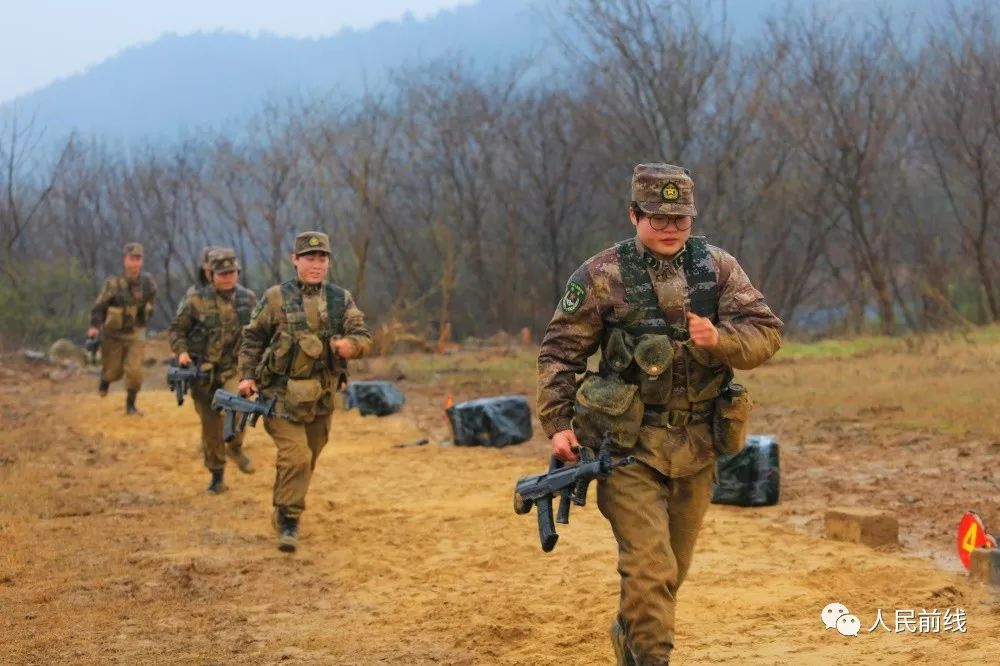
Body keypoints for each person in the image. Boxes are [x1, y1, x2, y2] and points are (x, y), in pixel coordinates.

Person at [536, 163, 783, 665]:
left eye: (680, 219)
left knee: (671, 572)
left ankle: (631, 637)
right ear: (634, 215)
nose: (670, 228)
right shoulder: (601, 275)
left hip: (697, 446)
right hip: (628, 450)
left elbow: (766, 332)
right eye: (657, 217)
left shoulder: (717, 268)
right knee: (649, 570)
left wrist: (721, 340)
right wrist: (558, 426)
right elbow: (560, 352)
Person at [237, 231, 372, 552]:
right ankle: (288, 520)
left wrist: (349, 346)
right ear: (294, 260)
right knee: (296, 457)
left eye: (321, 258)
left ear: (328, 262)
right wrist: (246, 376)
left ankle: (286, 504)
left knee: (308, 458)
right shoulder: (275, 298)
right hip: (280, 397)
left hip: (322, 398)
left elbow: (363, 335)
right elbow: (253, 339)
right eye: (309, 258)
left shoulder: (341, 299)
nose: (316, 264)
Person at [168, 247, 258, 494]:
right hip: (203, 374)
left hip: (233, 369)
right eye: (222, 273)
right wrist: (182, 352)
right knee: (211, 429)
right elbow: (177, 330)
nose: (228, 277)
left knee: (239, 405)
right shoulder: (195, 299)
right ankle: (217, 475)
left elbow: (261, 331)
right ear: (210, 275)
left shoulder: (248, 299)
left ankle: (236, 446)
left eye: (232, 272)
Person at [87, 242, 157, 415]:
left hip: (135, 332)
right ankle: (105, 379)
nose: (135, 263)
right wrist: (95, 327)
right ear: (125, 261)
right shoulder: (114, 284)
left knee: (135, 372)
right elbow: (100, 306)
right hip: (113, 335)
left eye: (138, 259)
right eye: (132, 259)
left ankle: (130, 405)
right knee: (113, 372)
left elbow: (151, 302)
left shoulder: (147, 283)